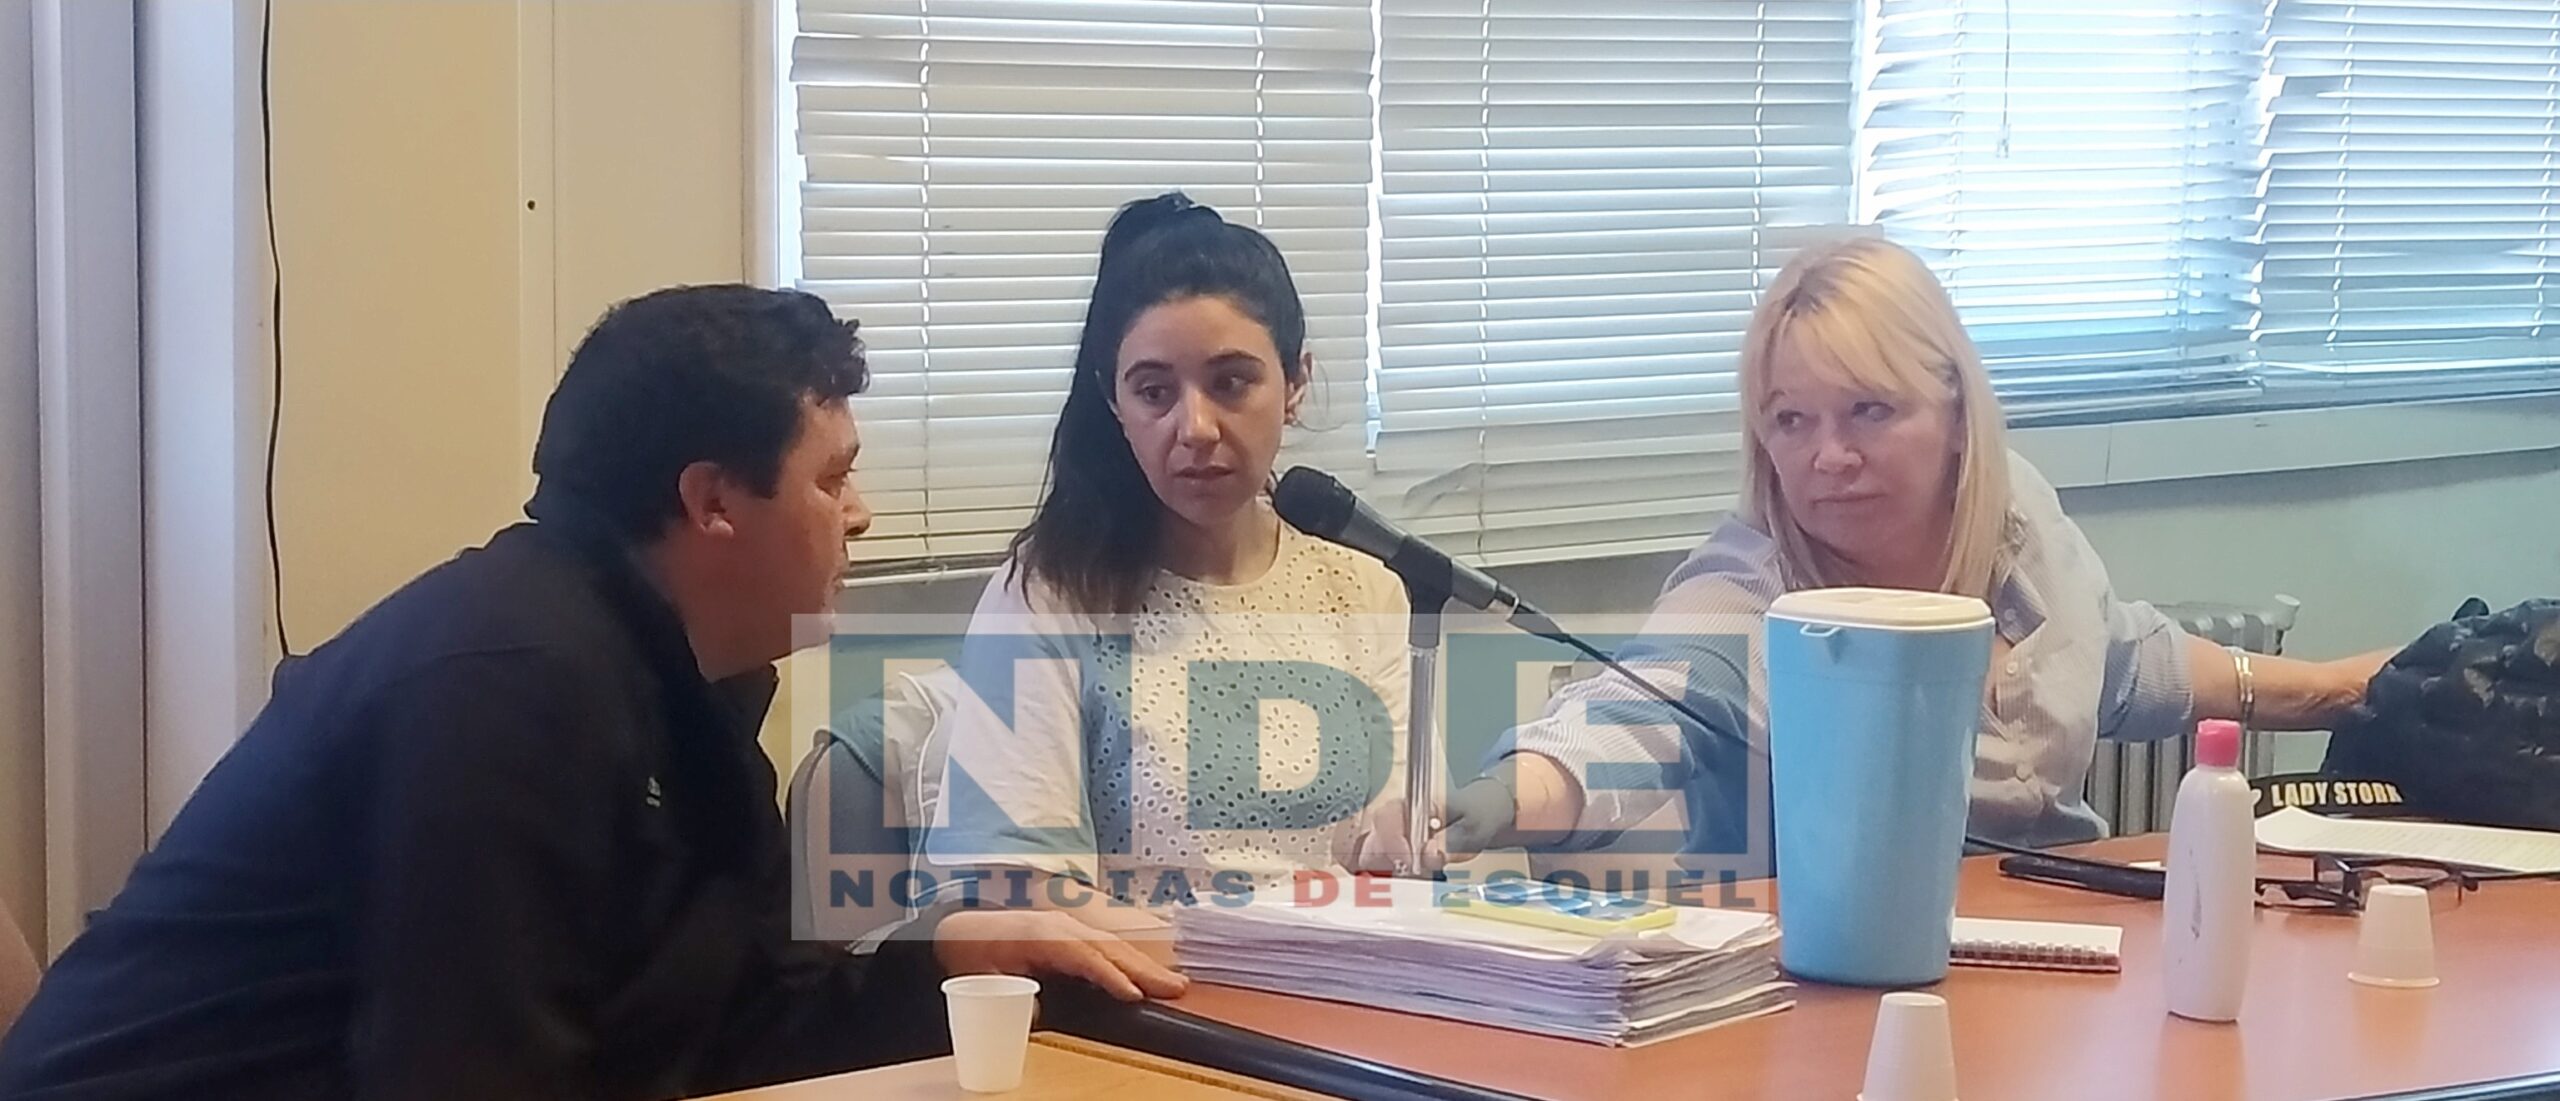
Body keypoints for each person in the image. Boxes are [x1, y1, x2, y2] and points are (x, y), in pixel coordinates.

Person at [0, 286, 1180, 1101]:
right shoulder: (508, 679)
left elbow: (747, 1026)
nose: (860, 517)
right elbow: (475, 1077)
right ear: (713, 502)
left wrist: (956, 955)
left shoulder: (691, 680)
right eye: (833, 480)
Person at [1438, 237, 2393, 869]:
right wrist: (1495, 799)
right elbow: (1627, 718)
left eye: (1869, 410)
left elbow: (2120, 662)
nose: (1829, 456)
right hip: (1833, 991)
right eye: (1791, 420)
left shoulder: (2015, 514)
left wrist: (2344, 685)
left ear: (1956, 412)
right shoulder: (1747, 591)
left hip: (2061, 943)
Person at [926, 194, 1410, 933]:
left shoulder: (1363, 590)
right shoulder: (1053, 592)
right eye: (1154, 392)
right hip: (1144, 982)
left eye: (1231, 383)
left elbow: (1388, 861)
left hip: (1341, 976)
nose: (1195, 428)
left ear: (1295, 384)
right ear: (1114, 402)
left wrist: (1417, 836)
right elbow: (1013, 885)